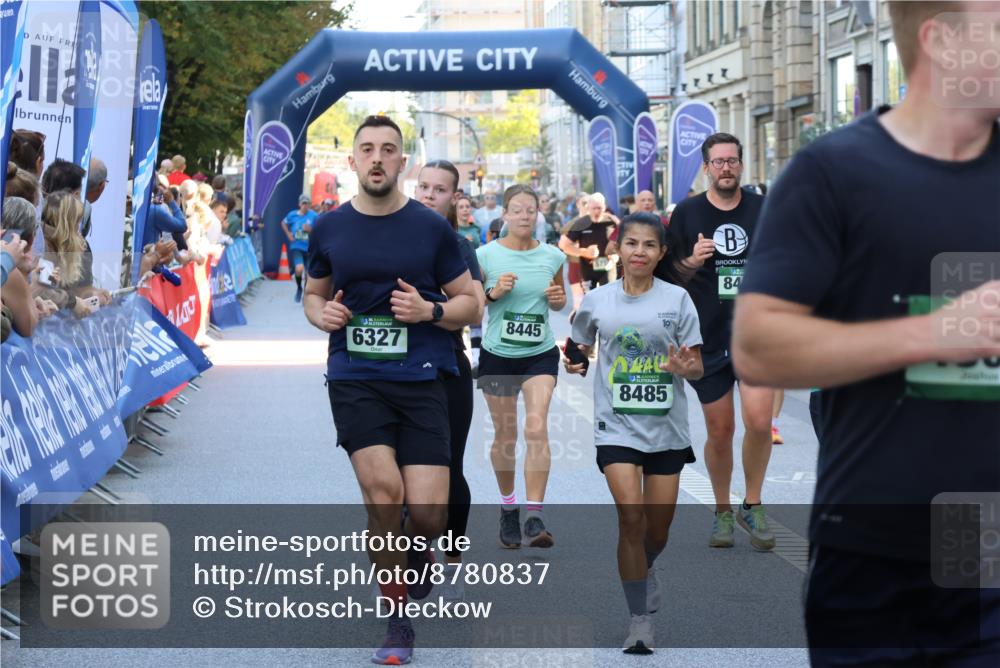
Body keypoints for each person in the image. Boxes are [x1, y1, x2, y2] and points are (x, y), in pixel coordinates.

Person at [732, 2, 1000, 664]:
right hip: (874, 548)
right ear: (943, 42)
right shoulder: (834, 173)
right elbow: (758, 346)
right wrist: (934, 334)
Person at [303, 115, 480, 665]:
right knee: (383, 492)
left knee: (427, 513)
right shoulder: (329, 228)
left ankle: (414, 546)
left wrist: (430, 311)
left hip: (423, 377)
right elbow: (312, 295)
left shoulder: (431, 228)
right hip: (356, 377)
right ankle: (397, 620)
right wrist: (322, 314)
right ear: (353, 160)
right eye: (367, 149)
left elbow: (471, 303)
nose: (377, 158)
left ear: (403, 161)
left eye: (387, 149)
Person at [566, 212, 703, 654]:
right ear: (617, 249)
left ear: (661, 253)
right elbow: (578, 344)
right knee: (630, 516)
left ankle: (647, 564)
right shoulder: (598, 300)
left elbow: (697, 366)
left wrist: (685, 368)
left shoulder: (678, 299)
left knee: (656, 531)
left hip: (666, 428)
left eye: (648, 245)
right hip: (616, 426)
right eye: (631, 243)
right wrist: (576, 361)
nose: (639, 251)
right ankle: (639, 620)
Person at [655, 132, 776, 551]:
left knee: (759, 422)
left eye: (732, 160)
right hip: (706, 336)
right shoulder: (687, 213)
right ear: (706, 168)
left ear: (741, 165)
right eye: (718, 162)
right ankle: (722, 510)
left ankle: (752, 503)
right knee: (720, 430)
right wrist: (692, 259)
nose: (726, 168)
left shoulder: (764, 208)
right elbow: (669, 276)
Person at [476, 184, 566, 549]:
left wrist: (557, 299)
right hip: (498, 354)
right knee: (506, 436)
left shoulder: (553, 256)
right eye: (517, 209)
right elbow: (471, 303)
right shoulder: (485, 256)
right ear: (505, 214)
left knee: (536, 426)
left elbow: (558, 302)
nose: (524, 215)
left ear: (538, 213)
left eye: (531, 209)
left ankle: (534, 515)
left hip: (539, 353)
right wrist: (493, 293)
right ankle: (509, 507)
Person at [414, 159, 487, 602]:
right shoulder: (387, 234)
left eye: (439, 189)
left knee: (448, 466)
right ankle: (412, 551)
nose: (428, 195)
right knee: (401, 471)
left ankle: (453, 561)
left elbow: (474, 306)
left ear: (453, 197)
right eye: (423, 186)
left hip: (447, 365)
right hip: (395, 369)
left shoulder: (459, 245)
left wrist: (431, 308)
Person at [559, 191, 617, 293]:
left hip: (607, 268)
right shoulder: (581, 223)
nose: (596, 211)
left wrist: (615, 257)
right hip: (588, 270)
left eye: (599, 208)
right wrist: (584, 252)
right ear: (588, 208)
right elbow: (564, 245)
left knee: (608, 298)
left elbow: (624, 241)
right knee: (590, 299)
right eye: (593, 208)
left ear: (604, 207)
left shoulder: (611, 221)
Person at [282, 194, 318, 303]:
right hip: (297, 246)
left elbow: (320, 230)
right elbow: (283, 223)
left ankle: (306, 294)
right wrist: (288, 234)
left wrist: (310, 230)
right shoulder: (292, 215)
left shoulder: (314, 216)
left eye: (307, 203)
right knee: (299, 269)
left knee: (308, 274)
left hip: (309, 248)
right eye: (303, 203)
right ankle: (299, 288)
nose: (305, 206)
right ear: (299, 204)